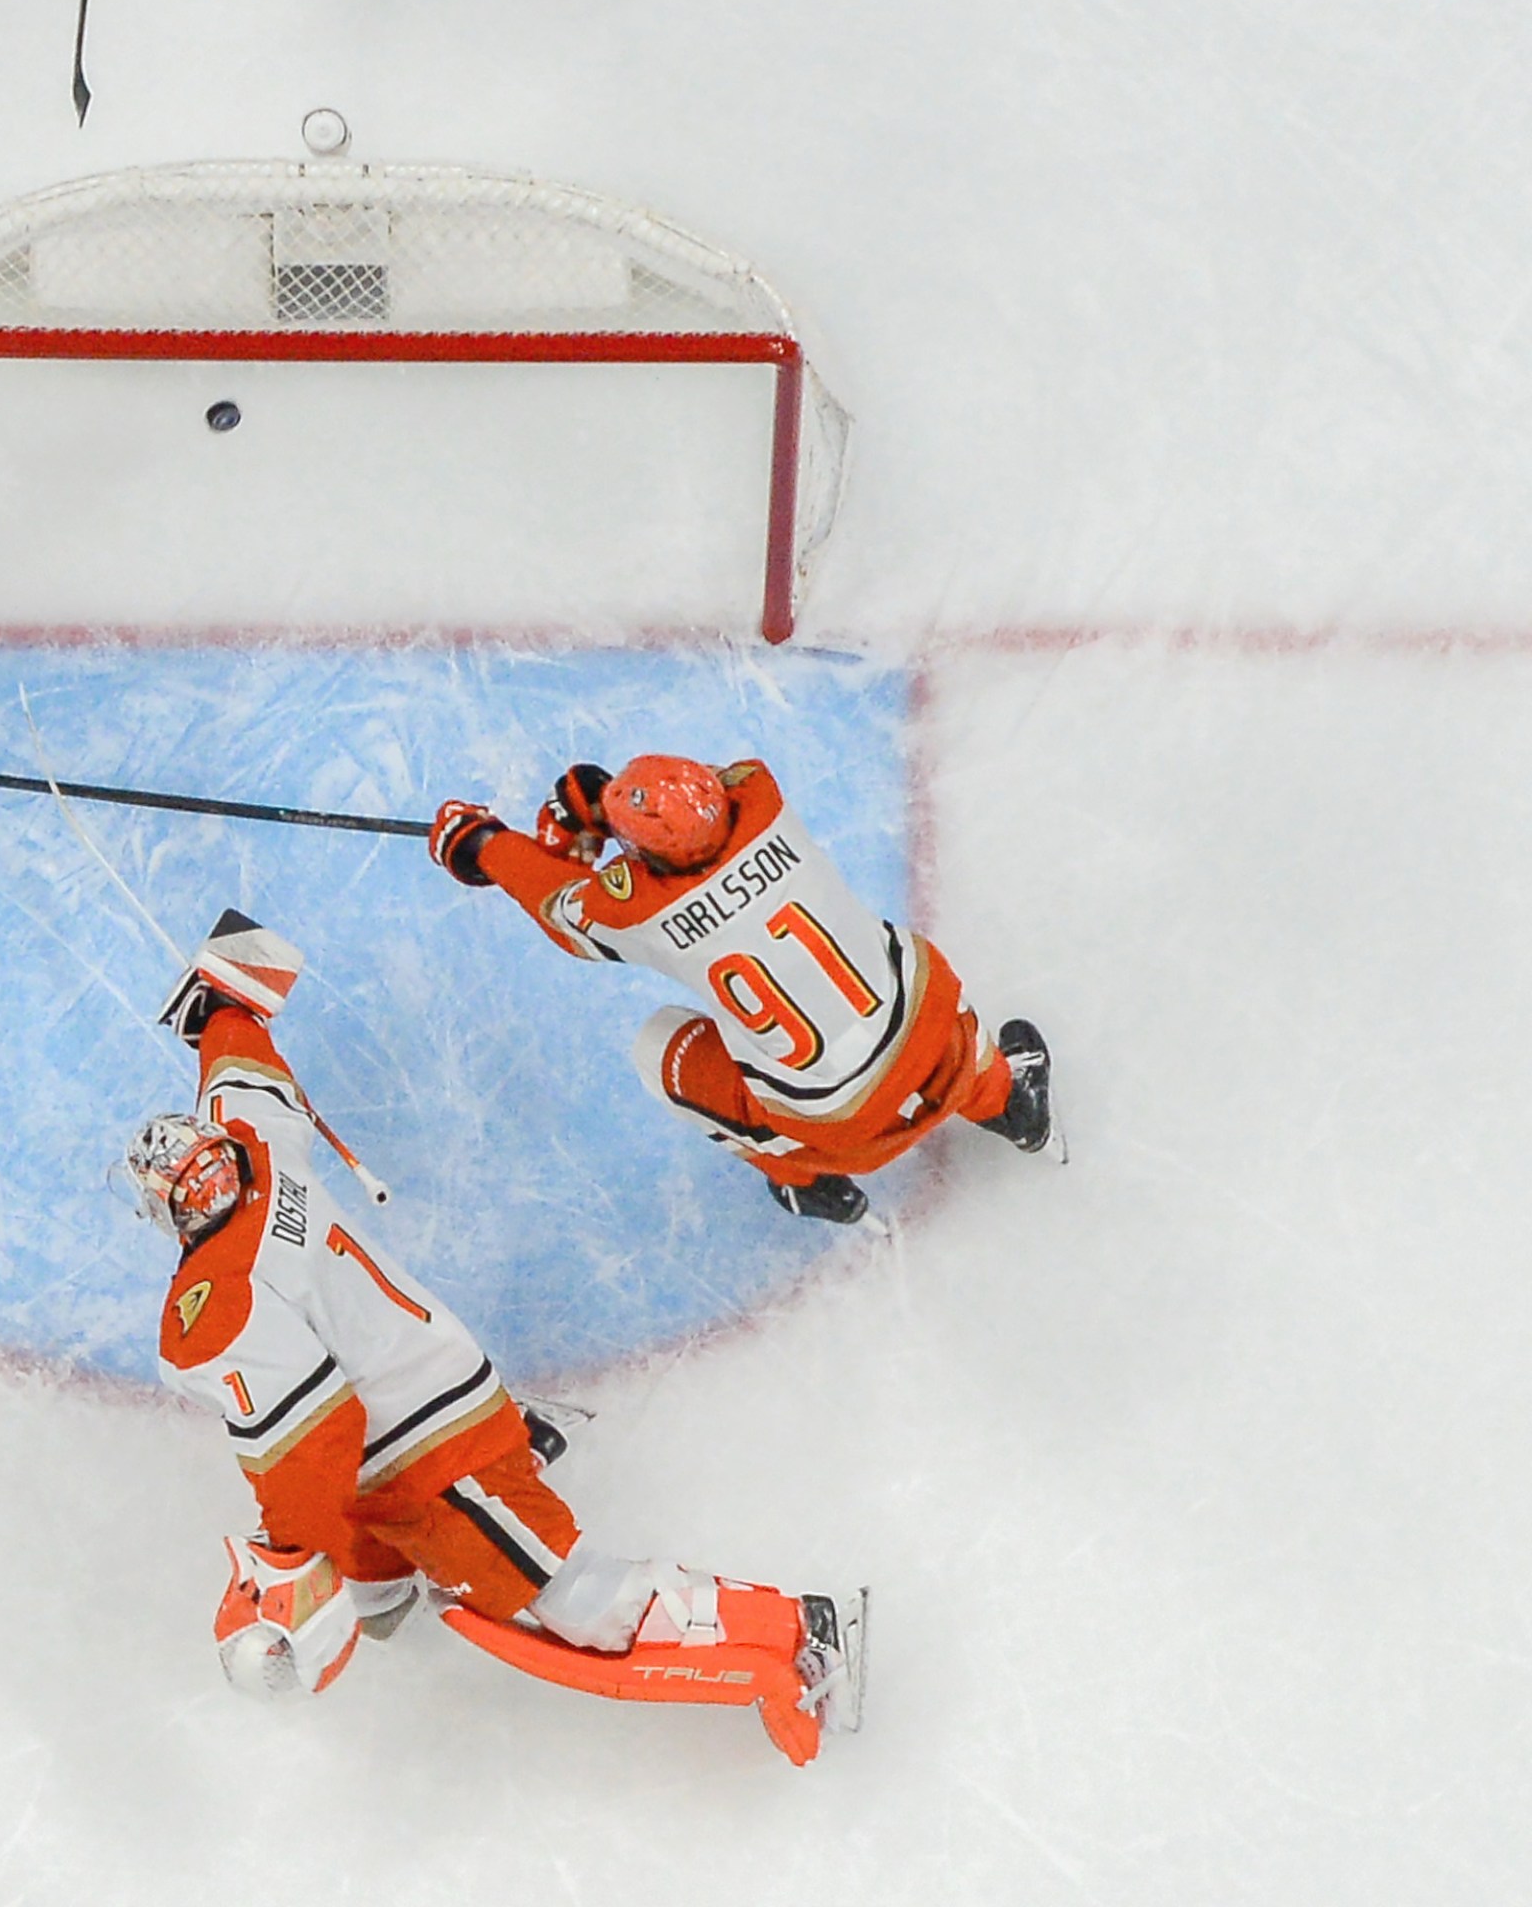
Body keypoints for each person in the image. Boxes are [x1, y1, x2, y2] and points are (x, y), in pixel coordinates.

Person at [126, 909, 862, 1764]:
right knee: (370, 1574)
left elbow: (314, 1441)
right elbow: (239, 1069)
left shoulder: (215, 1303)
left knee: (576, 1597)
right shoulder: (259, 1150)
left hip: (430, 1452)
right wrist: (220, 1006)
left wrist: (289, 1556)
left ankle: (802, 1629)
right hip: (433, 1384)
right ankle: (479, 1485)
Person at [429, 756, 1054, 1226]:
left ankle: (800, 1179)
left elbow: (563, 906)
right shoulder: (763, 795)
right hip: (941, 1051)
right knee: (912, 990)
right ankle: (1007, 1102)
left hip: (842, 1133)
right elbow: (701, 806)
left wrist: (484, 845)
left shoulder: (639, 913)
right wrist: (608, 808)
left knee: (659, 1045)